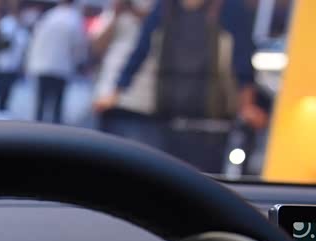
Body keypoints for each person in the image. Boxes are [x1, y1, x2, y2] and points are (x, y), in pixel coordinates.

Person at [95, 0, 268, 172]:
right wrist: (117, 91)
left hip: (213, 123)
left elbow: (243, 61)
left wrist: (247, 105)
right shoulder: (165, 7)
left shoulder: (228, 7)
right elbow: (141, 50)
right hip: (168, 117)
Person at [90, 0, 158, 146]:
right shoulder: (115, 10)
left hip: (142, 101)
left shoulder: (161, 8)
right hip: (108, 96)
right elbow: (96, 48)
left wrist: (134, 12)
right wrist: (116, 15)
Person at [25, 0, 88, 123]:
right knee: (57, 105)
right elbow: (78, 45)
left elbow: (35, 40)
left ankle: (37, 129)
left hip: (42, 65)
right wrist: (79, 62)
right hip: (61, 67)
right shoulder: (74, 19)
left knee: (40, 103)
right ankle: (55, 131)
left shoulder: (49, 15)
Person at [0, 5, 30, 114]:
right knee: (2, 87)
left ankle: (3, 108)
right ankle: (0, 108)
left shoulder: (20, 26)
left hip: (12, 63)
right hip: (4, 61)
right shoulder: (8, 23)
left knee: (8, 87)